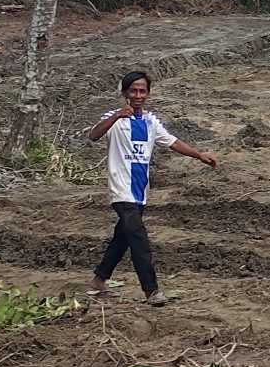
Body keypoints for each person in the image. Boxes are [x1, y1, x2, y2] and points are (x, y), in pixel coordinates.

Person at [88, 69, 217, 306]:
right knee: (139, 240)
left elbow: (172, 142)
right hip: (121, 190)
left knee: (122, 238)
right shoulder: (114, 119)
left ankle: (99, 279)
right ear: (125, 93)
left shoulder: (150, 122)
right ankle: (151, 291)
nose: (138, 96)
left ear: (148, 94)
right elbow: (93, 135)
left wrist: (199, 155)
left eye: (142, 91)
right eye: (133, 91)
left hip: (140, 191)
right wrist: (117, 115)